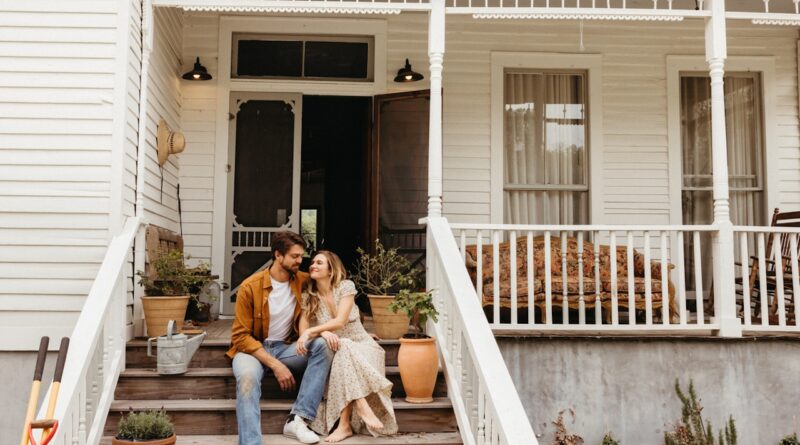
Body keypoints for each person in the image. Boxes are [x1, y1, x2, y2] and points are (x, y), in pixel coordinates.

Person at [227, 231, 333, 445]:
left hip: (286, 348)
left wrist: (349, 328)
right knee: (247, 379)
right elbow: (240, 336)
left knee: (323, 345)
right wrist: (275, 365)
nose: (300, 261)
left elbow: (334, 289)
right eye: (295, 256)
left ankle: (298, 418)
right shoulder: (250, 287)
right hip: (252, 350)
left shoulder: (303, 281)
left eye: (301, 255)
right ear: (278, 255)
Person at [297, 250, 398, 443]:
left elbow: (341, 321)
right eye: (312, 263)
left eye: (319, 263)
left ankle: (346, 424)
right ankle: (357, 407)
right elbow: (303, 325)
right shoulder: (309, 295)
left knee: (344, 346)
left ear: (331, 269)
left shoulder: (345, 286)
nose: (313, 266)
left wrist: (313, 331)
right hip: (340, 350)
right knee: (342, 346)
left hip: (363, 346)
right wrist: (320, 332)